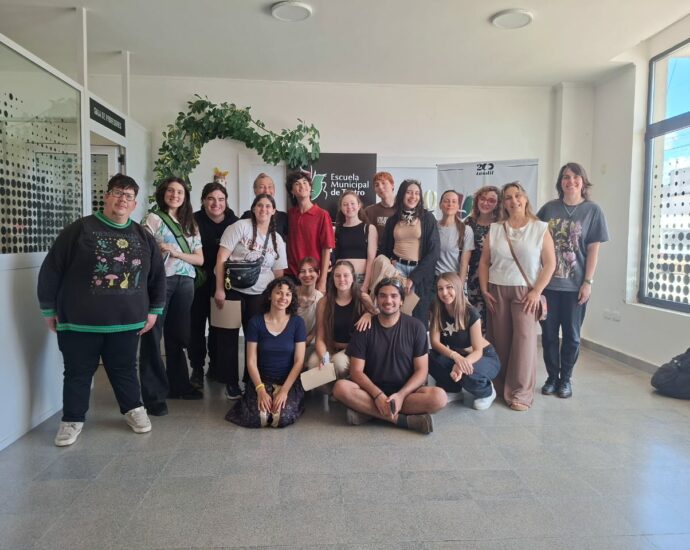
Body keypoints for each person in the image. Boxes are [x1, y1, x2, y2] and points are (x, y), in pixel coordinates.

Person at [37, 174, 166, 446]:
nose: (122, 199)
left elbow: (157, 276)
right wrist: (49, 309)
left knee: (125, 369)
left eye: (128, 196)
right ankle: (72, 420)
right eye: (118, 193)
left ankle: (133, 409)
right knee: (77, 372)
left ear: (134, 204)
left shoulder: (142, 236)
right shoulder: (79, 230)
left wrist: (154, 310)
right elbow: (52, 268)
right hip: (79, 322)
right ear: (106, 196)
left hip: (126, 322)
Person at [333, 278, 448, 434]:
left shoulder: (416, 328)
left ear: (401, 301)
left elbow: (421, 371)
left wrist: (400, 396)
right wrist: (377, 395)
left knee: (439, 397)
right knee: (340, 388)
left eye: (394, 296)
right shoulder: (364, 328)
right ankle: (400, 420)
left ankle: (368, 413)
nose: (388, 301)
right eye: (383, 296)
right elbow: (356, 372)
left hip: (406, 393)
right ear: (376, 299)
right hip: (370, 392)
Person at [479, 182, 556, 411]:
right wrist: (484, 290)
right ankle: (499, 385)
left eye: (518, 195)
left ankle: (521, 393)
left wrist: (537, 291)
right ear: (503, 203)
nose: (514, 201)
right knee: (499, 342)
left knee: (524, 344)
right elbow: (484, 262)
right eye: (508, 197)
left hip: (526, 293)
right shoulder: (495, 229)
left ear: (525, 198)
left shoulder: (540, 228)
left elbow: (550, 264)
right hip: (497, 290)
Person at [537, 163, 609, 398]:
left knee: (572, 336)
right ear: (560, 182)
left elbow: (593, 250)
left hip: (575, 287)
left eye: (576, 177)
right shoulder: (549, 209)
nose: (571, 181)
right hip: (548, 286)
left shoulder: (592, 210)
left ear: (583, 181)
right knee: (548, 335)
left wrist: (588, 282)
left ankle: (565, 379)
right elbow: (532, 239)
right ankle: (552, 377)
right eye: (566, 177)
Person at [214, 193, 287, 399]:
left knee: (254, 338)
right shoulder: (240, 226)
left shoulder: (277, 239)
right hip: (231, 289)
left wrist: (277, 299)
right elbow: (221, 257)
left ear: (274, 211)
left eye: (268, 206)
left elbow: (279, 273)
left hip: (260, 295)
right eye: (259, 205)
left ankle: (250, 381)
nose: (263, 209)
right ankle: (230, 382)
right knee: (227, 338)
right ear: (253, 208)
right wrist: (219, 289)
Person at [140, 177, 204, 411]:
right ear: (163, 193)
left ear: (185, 197)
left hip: (185, 282)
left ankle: (179, 386)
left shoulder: (191, 223)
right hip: (161, 281)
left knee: (178, 335)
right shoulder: (153, 219)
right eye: (171, 190)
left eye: (180, 192)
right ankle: (153, 395)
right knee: (152, 334)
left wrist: (176, 253)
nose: (175, 195)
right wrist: (159, 250)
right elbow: (142, 250)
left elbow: (200, 259)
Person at [225, 277, 307, 428]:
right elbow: (251, 361)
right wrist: (260, 390)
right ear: (270, 295)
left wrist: (284, 391)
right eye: (279, 292)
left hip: (288, 381)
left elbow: (299, 362)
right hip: (261, 380)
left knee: (281, 418)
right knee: (258, 418)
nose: (283, 297)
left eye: (288, 294)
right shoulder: (255, 322)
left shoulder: (298, 323)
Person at [188, 182, 238, 389]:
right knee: (196, 325)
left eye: (220, 199)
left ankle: (216, 366)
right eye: (211, 199)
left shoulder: (235, 222)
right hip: (198, 280)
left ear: (226, 201)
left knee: (219, 327)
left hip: (225, 282)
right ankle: (197, 368)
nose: (216, 203)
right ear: (203, 201)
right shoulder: (193, 221)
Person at [429, 272, 500, 409]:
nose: (444, 293)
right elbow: (435, 343)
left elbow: (478, 351)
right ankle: (453, 390)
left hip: (483, 356)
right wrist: (456, 357)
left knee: (467, 373)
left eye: (449, 287)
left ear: (457, 287)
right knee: (429, 357)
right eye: (440, 289)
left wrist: (461, 364)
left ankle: (487, 392)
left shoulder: (471, 313)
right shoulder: (436, 308)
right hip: (459, 354)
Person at [382, 179, 440, 327]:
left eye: (417, 193)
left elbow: (434, 252)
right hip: (397, 271)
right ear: (402, 194)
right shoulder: (393, 220)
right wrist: (390, 262)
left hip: (419, 272)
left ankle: (419, 343)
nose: (413, 196)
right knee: (395, 314)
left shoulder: (428, 218)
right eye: (409, 192)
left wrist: (414, 277)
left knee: (419, 318)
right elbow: (384, 249)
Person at [306, 260, 371, 382]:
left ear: (353, 278)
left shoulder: (363, 299)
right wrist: (324, 358)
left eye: (346, 275)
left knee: (338, 363)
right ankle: (325, 389)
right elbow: (320, 338)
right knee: (313, 363)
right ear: (333, 278)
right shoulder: (324, 302)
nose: (342, 279)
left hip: (352, 350)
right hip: (330, 346)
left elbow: (380, 318)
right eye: (337, 275)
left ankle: (311, 384)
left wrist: (369, 314)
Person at [285, 171, 334, 293]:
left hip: (313, 275)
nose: (302, 186)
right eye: (297, 183)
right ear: (292, 191)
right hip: (292, 274)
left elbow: (326, 248)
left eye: (305, 182)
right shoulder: (289, 215)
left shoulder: (322, 215)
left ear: (311, 188)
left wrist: (323, 280)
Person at [465, 185, 501, 333]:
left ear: (498, 204)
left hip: (495, 279)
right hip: (473, 281)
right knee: (476, 323)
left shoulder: (500, 225)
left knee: (496, 322)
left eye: (491, 200)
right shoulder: (468, 223)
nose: (486, 203)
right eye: (483, 198)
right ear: (477, 200)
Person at [333, 191, 377, 292]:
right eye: (345, 204)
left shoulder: (369, 228)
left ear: (359, 205)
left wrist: (366, 285)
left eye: (352, 203)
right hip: (340, 280)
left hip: (360, 280)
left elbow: (371, 259)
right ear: (341, 208)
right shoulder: (336, 230)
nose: (349, 207)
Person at [436, 190, 474, 283]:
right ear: (440, 205)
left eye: (454, 202)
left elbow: (464, 263)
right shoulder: (432, 226)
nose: (450, 204)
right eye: (446, 201)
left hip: (452, 281)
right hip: (431, 280)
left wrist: (459, 286)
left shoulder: (466, 230)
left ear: (458, 206)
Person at [240, 173, 288, 239]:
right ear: (255, 190)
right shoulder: (247, 216)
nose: (266, 190)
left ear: (274, 190)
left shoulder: (283, 217)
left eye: (270, 187)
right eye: (261, 187)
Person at [364, 171, 396, 253]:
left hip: (399, 255)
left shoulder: (403, 209)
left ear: (392, 185)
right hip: (377, 255)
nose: (380, 187)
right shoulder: (369, 211)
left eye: (384, 183)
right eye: (377, 185)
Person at [295, 256, 323, 348]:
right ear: (298, 275)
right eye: (302, 271)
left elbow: (319, 326)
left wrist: (308, 339)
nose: (307, 275)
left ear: (318, 273)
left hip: (312, 342)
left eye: (311, 271)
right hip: (291, 341)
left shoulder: (321, 299)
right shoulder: (290, 295)